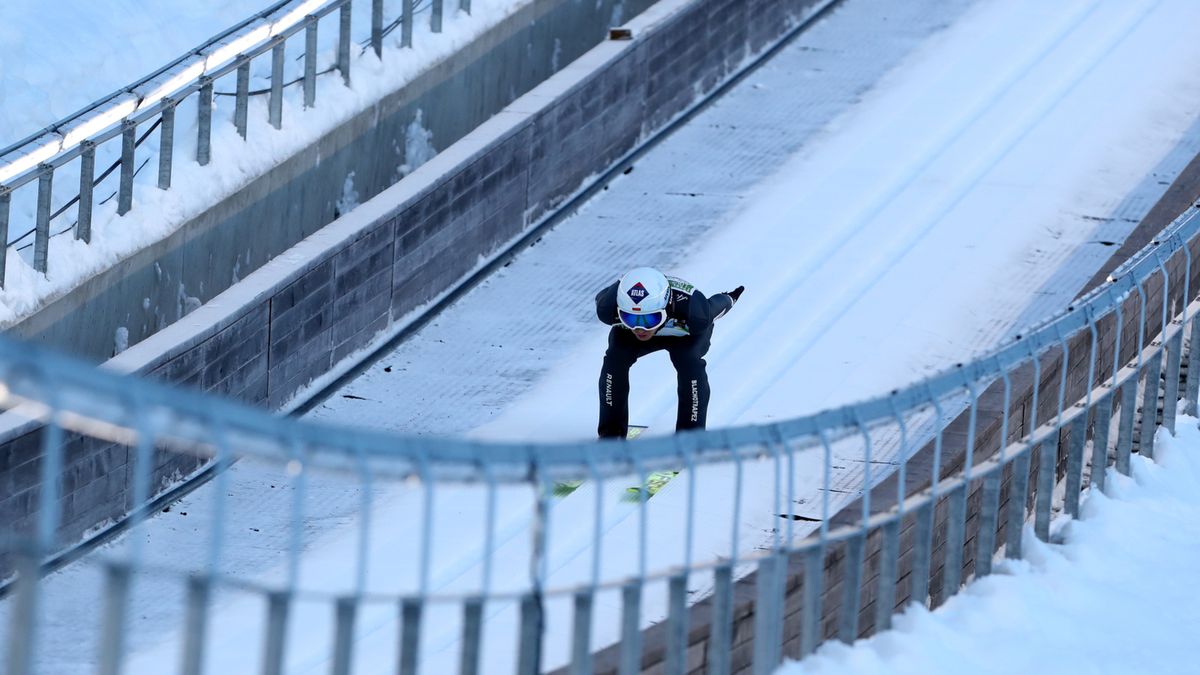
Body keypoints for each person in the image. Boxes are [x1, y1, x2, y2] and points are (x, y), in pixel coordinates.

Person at [595, 267, 743, 438]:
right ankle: (611, 434)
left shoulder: (695, 312)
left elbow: (716, 306)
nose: (640, 328)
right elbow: (606, 301)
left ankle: (691, 435)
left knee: (689, 361)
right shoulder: (608, 307)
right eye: (630, 318)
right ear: (619, 311)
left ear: (666, 307)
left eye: (650, 319)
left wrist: (729, 297)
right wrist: (642, 322)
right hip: (631, 334)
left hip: (686, 336)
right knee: (615, 360)